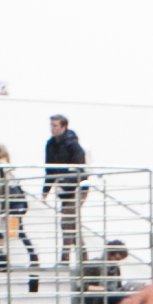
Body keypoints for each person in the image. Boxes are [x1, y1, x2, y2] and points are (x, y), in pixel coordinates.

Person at [41, 114, 87, 268]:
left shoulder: (73, 145)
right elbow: (49, 169)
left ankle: (67, 258)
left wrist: (65, 184)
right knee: (70, 223)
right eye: (51, 125)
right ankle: (82, 257)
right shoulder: (50, 144)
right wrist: (46, 190)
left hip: (78, 187)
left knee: (67, 221)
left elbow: (79, 169)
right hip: (64, 188)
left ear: (63, 127)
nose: (52, 129)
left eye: (55, 126)